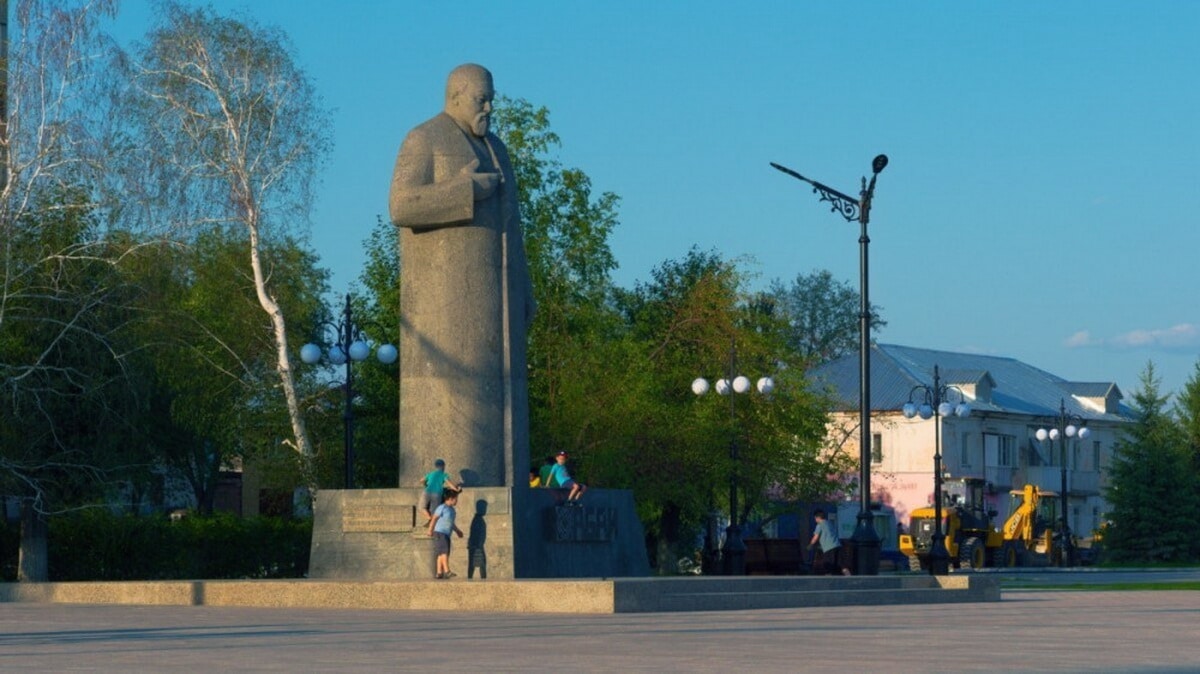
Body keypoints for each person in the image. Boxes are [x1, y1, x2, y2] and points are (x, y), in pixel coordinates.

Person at [390, 64, 536, 489]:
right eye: (481, 99)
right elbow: (401, 205)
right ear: (455, 96)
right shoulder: (424, 138)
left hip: (500, 303)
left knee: (504, 422)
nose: (489, 106)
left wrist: (524, 288)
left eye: (491, 98)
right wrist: (465, 190)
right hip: (443, 307)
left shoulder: (498, 148)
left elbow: (515, 226)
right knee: (459, 412)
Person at [428, 490, 464, 579]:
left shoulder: (452, 510)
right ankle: (447, 571)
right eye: (456, 499)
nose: (457, 501)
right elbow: (434, 519)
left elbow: (451, 523)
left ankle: (439, 573)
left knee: (441, 553)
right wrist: (430, 530)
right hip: (439, 533)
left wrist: (457, 531)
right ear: (451, 499)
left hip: (447, 534)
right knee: (444, 551)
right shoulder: (442, 507)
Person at [419, 459, 461, 525]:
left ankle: (429, 518)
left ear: (436, 466)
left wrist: (426, 485)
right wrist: (456, 490)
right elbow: (449, 483)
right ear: (443, 466)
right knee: (434, 511)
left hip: (426, 492)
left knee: (422, 507)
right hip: (437, 493)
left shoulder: (431, 473)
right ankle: (432, 521)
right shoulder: (443, 474)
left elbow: (421, 480)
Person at [809, 509, 850, 576]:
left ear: (818, 517)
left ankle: (829, 582)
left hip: (829, 548)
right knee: (843, 566)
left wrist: (810, 545)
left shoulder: (819, 525)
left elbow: (815, 537)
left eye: (815, 518)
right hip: (838, 546)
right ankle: (850, 579)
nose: (815, 520)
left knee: (828, 566)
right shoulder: (829, 523)